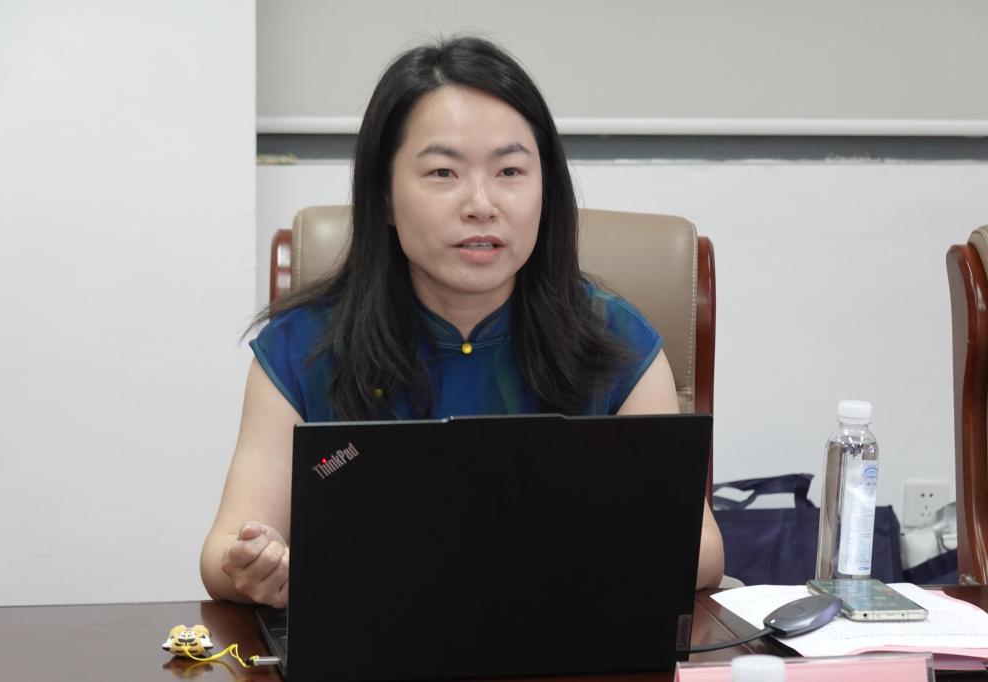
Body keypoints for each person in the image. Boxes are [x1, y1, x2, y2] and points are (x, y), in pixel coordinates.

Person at [200, 36, 724, 607]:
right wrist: (256, 566)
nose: (481, 204)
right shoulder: (304, 348)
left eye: (510, 171)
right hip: (372, 639)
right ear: (383, 195)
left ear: (545, 189)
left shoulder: (614, 339)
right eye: (444, 173)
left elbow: (700, 551)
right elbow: (225, 552)